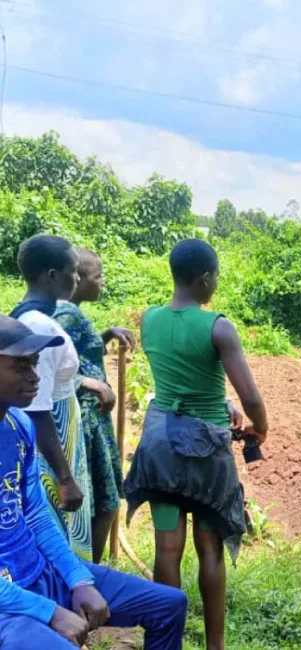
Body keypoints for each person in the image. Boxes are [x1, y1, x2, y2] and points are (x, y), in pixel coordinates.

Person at [0, 314, 188, 650]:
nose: (34, 377)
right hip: (6, 607)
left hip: (38, 573)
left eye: (34, 364)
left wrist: (77, 578)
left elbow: (38, 516)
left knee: (168, 605)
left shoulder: (17, 426)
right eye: (20, 367)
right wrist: (49, 612)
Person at [124, 238, 268, 650]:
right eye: (216, 276)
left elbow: (180, 379)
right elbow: (252, 397)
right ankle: (215, 646)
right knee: (210, 550)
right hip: (204, 453)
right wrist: (262, 427)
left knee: (167, 548)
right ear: (205, 279)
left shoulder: (149, 319)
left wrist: (220, 400)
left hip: (160, 446)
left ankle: (166, 641)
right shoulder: (218, 326)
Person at [10, 235, 92, 560]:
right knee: (54, 530)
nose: (78, 278)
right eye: (73, 271)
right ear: (52, 275)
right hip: (51, 441)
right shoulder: (38, 327)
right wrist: (65, 478)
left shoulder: (36, 317)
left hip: (59, 433)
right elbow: (38, 408)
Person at [54, 248, 136, 563]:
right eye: (97, 276)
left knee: (98, 502)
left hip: (90, 420)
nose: (102, 282)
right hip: (83, 421)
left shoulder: (69, 312)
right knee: (104, 503)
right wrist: (92, 384)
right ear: (76, 279)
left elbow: (73, 354)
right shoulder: (63, 315)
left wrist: (105, 334)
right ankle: (91, 575)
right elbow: (45, 367)